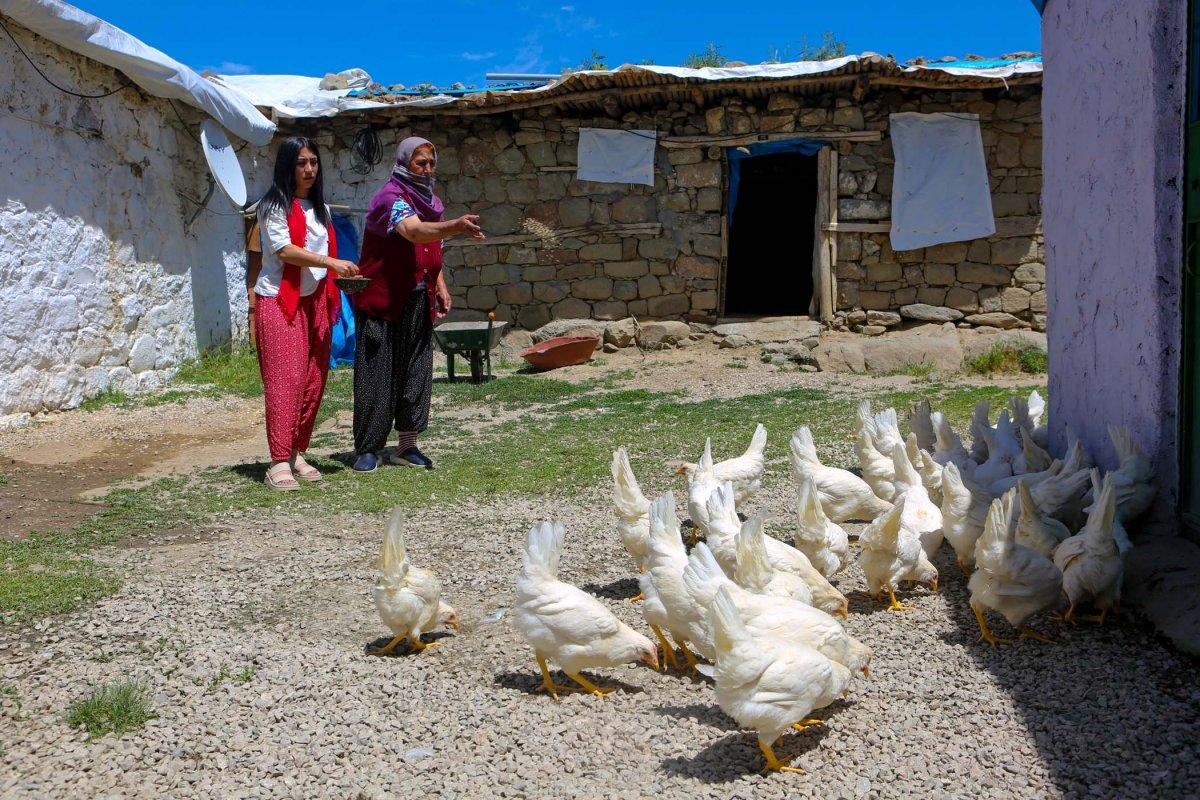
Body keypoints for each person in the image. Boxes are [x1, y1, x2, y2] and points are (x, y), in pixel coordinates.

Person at [351, 137, 484, 472]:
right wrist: (456, 226)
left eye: (431, 163)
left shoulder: (431, 202)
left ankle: (407, 445)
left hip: (417, 298)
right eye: (420, 163)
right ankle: (369, 448)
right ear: (404, 163)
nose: (427, 169)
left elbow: (429, 248)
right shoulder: (390, 199)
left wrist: (439, 284)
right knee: (377, 372)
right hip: (383, 300)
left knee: (416, 371)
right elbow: (414, 232)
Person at [254, 136, 360, 490]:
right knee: (286, 381)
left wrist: (341, 273)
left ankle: (296, 451)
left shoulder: (321, 209)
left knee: (314, 379)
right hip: (280, 301)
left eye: (313, 162)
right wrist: (331, 261)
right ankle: (278, 460)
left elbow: (320, 257)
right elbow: (284, 250)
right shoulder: (273, 205)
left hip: (315, 301)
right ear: (288, 165)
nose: (309, 169)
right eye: (301, 162)